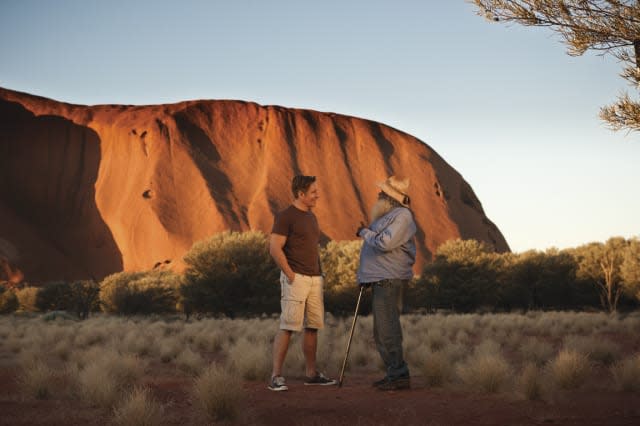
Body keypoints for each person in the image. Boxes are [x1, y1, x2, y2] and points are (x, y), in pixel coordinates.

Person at [268, 175, 337, 391]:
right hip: (295, 278)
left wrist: (319, 273)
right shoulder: (285, 217)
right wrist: (290, 274)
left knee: (313, 327)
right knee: (288, 326)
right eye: (313, 192)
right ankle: (276, 376)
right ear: (301, 194)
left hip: (315, 278)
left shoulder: (311, 217)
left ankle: (311, 374)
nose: (317, 195)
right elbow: (275, 248)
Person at [356, 175, 417, 391]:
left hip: (389, 280)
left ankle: (399, 375)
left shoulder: (403, 215)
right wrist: (365, 277)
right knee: (382, 330)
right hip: (380, 279)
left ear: (391, 198)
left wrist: (364, 232)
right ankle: (394, 373)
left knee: (387, 328)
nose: (378, 195)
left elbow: (384, 243)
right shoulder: (388, 216)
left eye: (382, 193)